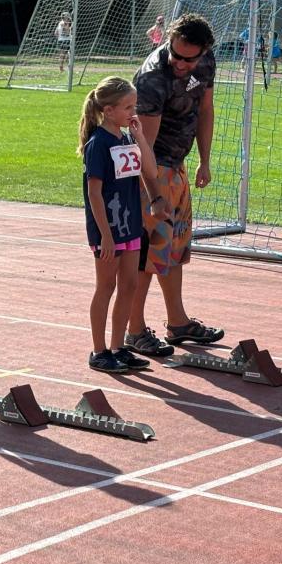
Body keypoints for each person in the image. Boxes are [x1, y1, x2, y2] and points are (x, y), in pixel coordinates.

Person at [124, 13, 225, 358]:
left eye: (188, 58)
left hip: (176, 166)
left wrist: (205, 160)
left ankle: (178, 323)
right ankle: (134, 330)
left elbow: (206, 109)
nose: (181, 63)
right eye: (176, 55)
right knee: (151, 254)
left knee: (176, 250)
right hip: (153, 172)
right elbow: (144, 147)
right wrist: (154, 195)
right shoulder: (153, 78)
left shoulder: (205, 61)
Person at [79, 77, 167, 373]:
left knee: (128, 285)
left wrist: (140, 137)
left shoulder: (127, 138)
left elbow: (151, 170)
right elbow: (94, 191)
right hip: (108, 228)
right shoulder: (98, 143)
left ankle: (119, 347)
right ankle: (99, 350)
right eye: (128, 107)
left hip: (131, 225)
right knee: (106, 286)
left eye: (135, 105)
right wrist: (104, 234)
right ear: (108, 109)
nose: (134, 111)